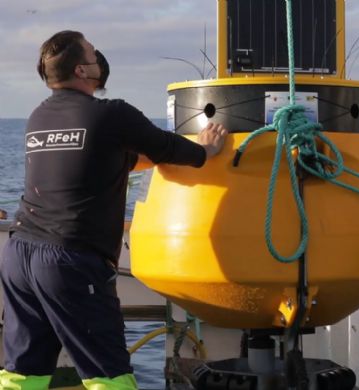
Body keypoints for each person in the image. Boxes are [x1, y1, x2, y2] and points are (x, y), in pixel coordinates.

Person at [0, 30, 228, 389]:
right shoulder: (112, 114)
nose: (98, 59)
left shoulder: (38, 118)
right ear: (81, 70)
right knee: (108, 377)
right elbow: (169, 148)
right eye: (92, 54)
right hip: (69, 261)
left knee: (23, 374)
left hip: (20, 257)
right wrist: (206, 150)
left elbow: (97, 158)